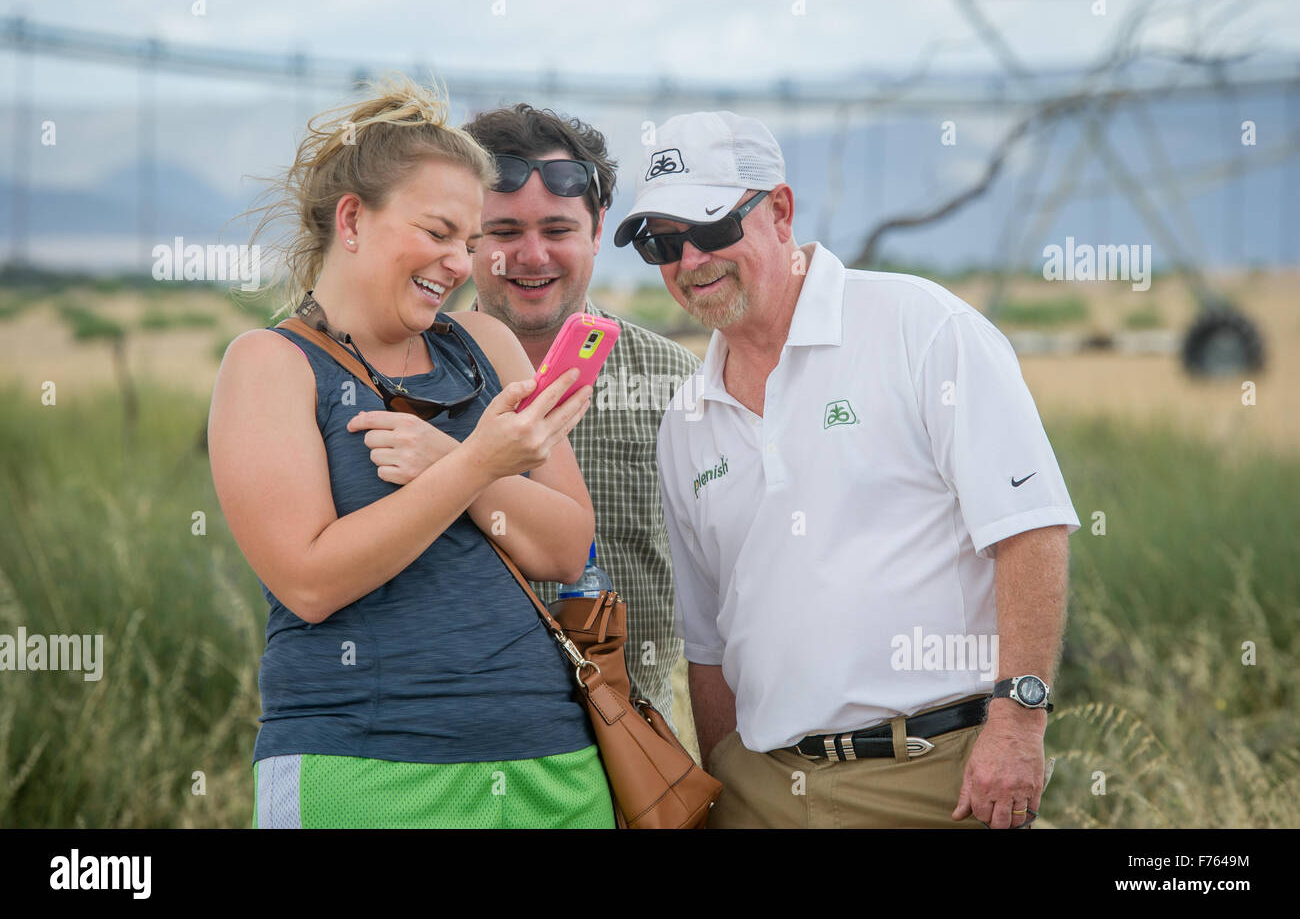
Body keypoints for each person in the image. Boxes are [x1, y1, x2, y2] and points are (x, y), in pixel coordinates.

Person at [615, 110, 1081, 829]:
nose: (689, 260)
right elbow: (708, 648)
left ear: (779, 210)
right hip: (761, 789)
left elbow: (1032, 528)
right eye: (663, 242)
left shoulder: (922, 327)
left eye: (710, 229)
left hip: (934, 779)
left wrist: (1018, 722)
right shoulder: (685, 420)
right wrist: (725, 779)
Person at [207, 74, 615, 828]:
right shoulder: (270, 364)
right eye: (437, 234)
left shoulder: (486, 344)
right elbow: (311, 581)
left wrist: (447, 460)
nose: (460, 264)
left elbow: (565, 546)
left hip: (552, 766)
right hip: (364, 772)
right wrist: (474, 464)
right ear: (353, 219)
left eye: (468, 241)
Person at [454, 104, 701, 724]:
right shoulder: (403, 375)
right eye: (505, 232)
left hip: (631, 754)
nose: (532, 256)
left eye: (558, 230)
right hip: (450, 755)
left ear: (597, 231)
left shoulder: (675, 384)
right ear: (465, 237)